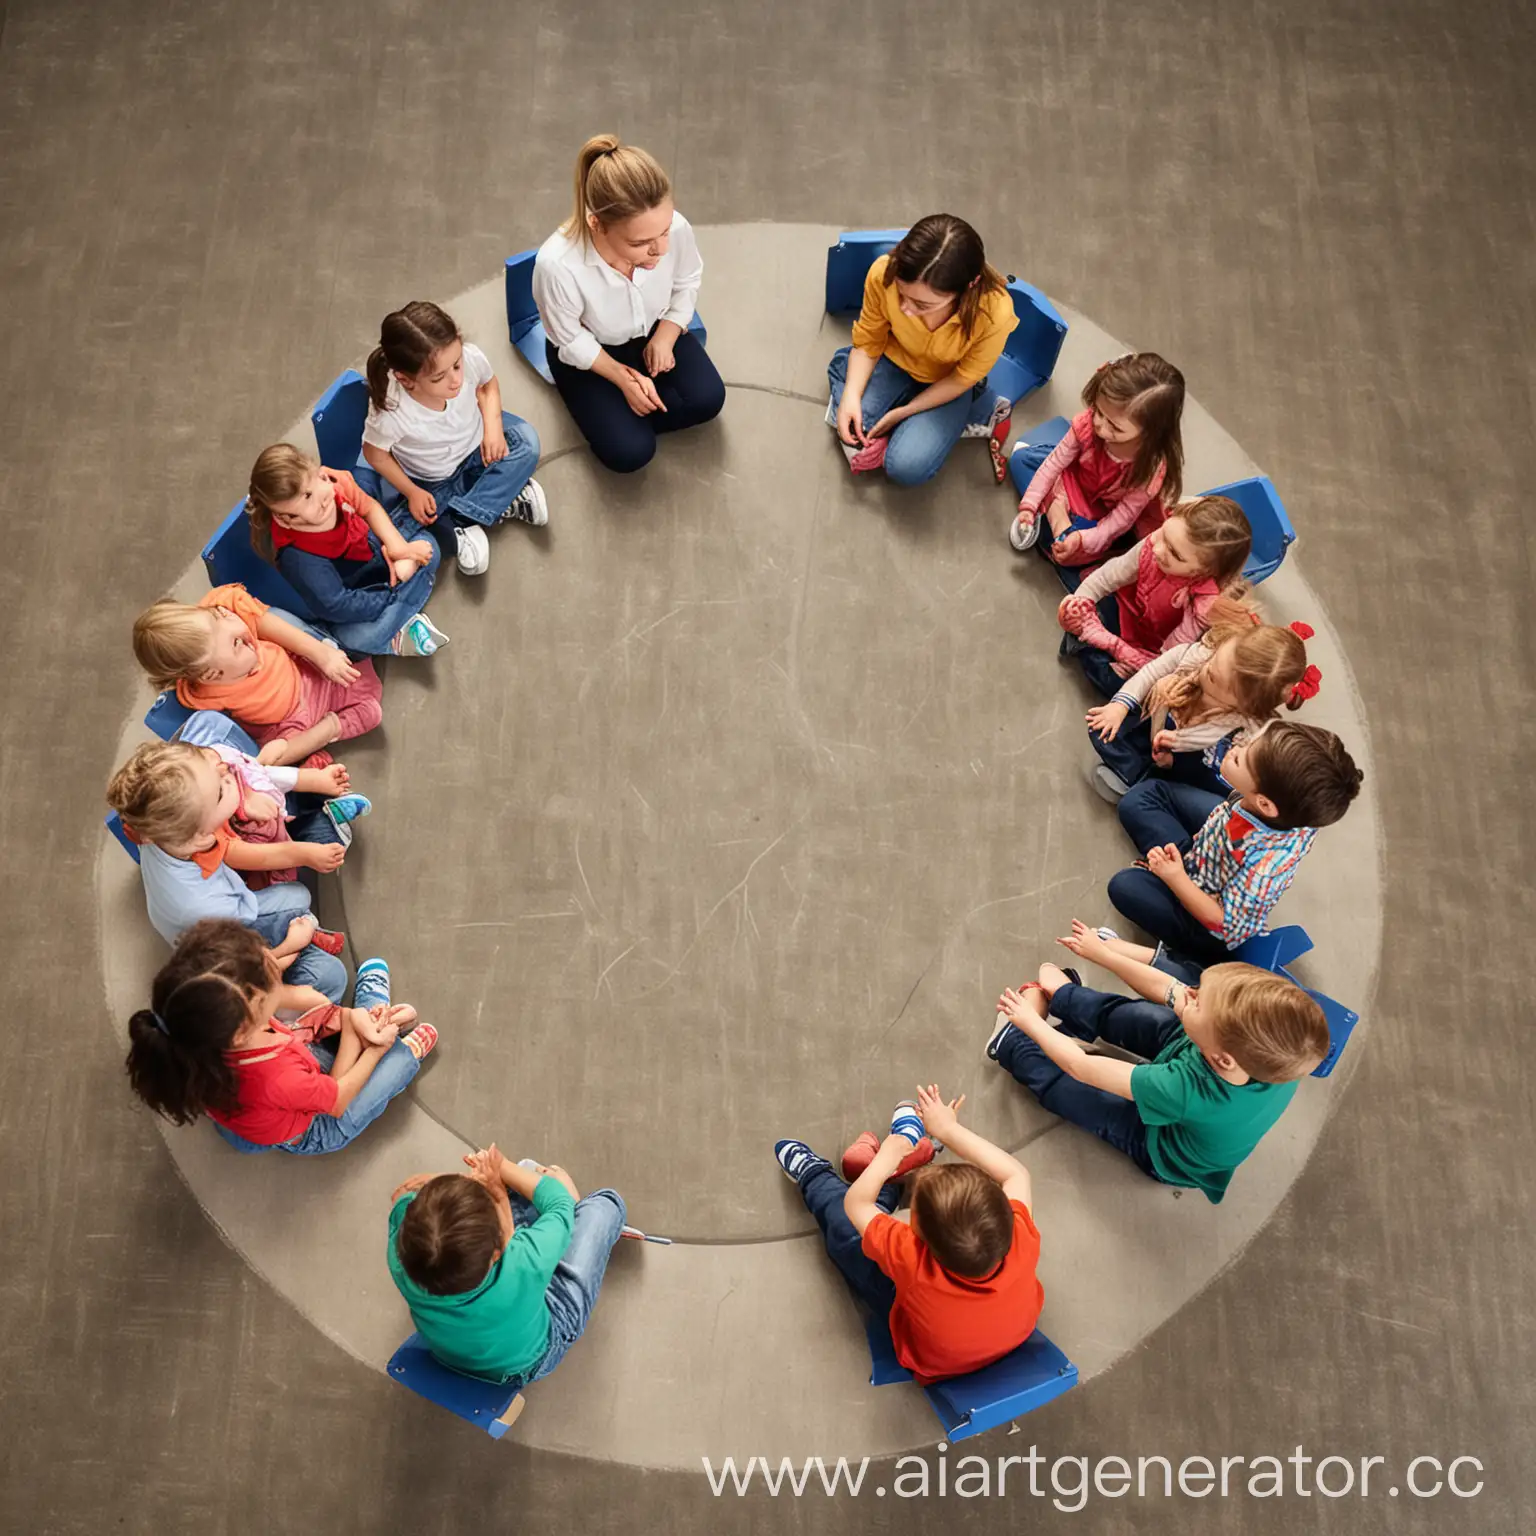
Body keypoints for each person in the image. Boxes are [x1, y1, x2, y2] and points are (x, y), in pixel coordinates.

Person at [988, 930, 1329, 1204]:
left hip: (1162, 1147)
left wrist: (1031, 1022)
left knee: (1077, 1095)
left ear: (1221, 1057)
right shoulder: (1272, 1051)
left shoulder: (1185, 1089)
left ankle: (1013, 1045)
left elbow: (1079, 1067)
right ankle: (1067, 999)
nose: (1189, 993)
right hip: (1194, 1057)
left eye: (1197, 1001)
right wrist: (1104, 954)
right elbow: (1168, 989)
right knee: (1141, 1017)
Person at [774, 1089, 1043, 1384]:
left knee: (848, 1237)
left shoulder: (910, 1256)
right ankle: (899, 1173)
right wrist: (948, 1128)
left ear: (916, 1233)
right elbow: (1017, 1175)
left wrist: (892, 1150)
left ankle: (818, 1175)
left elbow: (855, 1205)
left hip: (930, 1360)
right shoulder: (1021, 1234)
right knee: (870, 1218)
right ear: (1006, 1211)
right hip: (1011, 1336)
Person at [125, 920, 437, 1155]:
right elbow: (336, 1102)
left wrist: (350, 1020)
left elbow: (304, 1002)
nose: (276, 963)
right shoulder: (276, 1077)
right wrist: (369, 1040)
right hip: (316, 1126)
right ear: (244, 1024)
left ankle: (374, 1018)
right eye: (270, 973)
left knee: (326, 982)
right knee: (394, 1062)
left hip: (282, 1086)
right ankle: (395, 1046)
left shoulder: (212, 1029)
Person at [105, 730, 365, 1002]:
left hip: (210, 914)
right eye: (220, 789)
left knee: (296, 874)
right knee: (313, 935)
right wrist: (290, 945)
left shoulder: (160, 827)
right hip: (232, 937)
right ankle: (302, 961)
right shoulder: (205, 907)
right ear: (204, 835)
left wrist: (240, 793)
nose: (224, 770)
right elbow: (241, 964)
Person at [532, 133, 725, 475]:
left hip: (652, 328)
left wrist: (666, 336)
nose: (661, 250)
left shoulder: (676, 228)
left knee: (709, 400)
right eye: (641, 243)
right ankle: (614, 417)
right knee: (631, 454)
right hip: (591, 351)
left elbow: (687, 281)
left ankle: (617, 418)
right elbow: (569, 339)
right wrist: (623, 378)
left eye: (664, 232)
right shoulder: (557, 265)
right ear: (597, 224)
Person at [1106, 721, 1364, 972]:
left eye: (1241, 758)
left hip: (1207, 918)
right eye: (1250, 742)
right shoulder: (1289, 807)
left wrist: (1175, 878)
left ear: (1264, 803)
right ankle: (1172, 868)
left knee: (1125, 887)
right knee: (1141, 798)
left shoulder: (1265, 867)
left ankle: (1190, 954)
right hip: (1211, 846)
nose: (1236, 747)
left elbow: (1222, 923)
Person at [387, 1143, 626, 1388]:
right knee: (606, 1205)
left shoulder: (398, 1255)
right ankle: (556, 1220)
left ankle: (527, 1212)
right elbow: (559, 1201)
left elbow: (403, 1195)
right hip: (533, 1356)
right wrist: (500, 1167)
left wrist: (460, 1194)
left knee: (515, 1206)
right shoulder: (522, 1261)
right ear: (499, 1249)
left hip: (457, 1352)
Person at [359, 300, 546, 577]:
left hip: (479, 445)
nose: (456, 381)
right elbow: (375, 454)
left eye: (456, 366)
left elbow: (487, 384)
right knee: (390, 536)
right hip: (436, 477)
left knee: (527, 442)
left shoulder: (468, 358)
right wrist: (412, 492)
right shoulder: (392, 411)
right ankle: (493, 501)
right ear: (406, 379)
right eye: (439, 378)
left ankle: (459, 518)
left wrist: (493, 426)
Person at [828, 214, 1017, 486]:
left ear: (969, 287)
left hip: (948, 382)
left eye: (923, 305)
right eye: (902, 295)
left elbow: (962, 378)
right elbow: (869, 341)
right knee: (851, 419)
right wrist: (851, 395)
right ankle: (894, 417)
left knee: (905, 467)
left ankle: (976, 409)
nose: (905, 309)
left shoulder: (995, 313)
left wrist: (901, 413)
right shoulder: (883, 272)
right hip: (894, 360)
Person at [133, 582, 383, 768]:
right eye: (235, 644)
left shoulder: (221, 612)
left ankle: (318, 745)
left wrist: (319, 653)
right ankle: (328, 731)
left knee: (358, 674)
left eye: (222, 617)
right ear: (211, 674)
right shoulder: (202, 694)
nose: (238, 626)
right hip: (289, 721)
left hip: (303, 668)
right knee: (274, 755)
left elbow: (248, 614)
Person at [244, 443, 448, 658]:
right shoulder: (298, 558)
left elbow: (369, 507)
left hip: (374, 552)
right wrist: (388, 593)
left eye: (311, 490)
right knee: (354, 639)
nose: (319, 502)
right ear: (284, 519)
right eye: (303, 503)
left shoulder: (333, 481)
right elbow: (338, 605)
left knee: (429, 545)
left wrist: (398, 546)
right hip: (357, 596)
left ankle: (399, 619)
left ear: (318, 472)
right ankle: (397, 633)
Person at [1084, 619, 1317, 802]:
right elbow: (1151, 672)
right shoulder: (1200, 656)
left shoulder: (1242, 729)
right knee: (1103, 726)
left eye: (1214, 679)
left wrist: (1174, 758)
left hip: (1183, 758)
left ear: (1245, 705)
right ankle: (1132, 770)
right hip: (1156, 722)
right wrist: (1120, 705)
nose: (1206, 670)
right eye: (1213, 660)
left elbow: (1214, 769)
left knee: (1175, 781)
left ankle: (1137, 777)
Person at [1009, 353, 1185, 589]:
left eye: (1115, 427)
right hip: (1070, 481)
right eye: (1099, 412)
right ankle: (1054, 514)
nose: (1100, 426)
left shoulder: (1149, 470)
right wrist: (1030, 506)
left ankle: (1054, 519)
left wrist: (1082, 539)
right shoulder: (1087, 423)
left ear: (1151, 432)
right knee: (1020, 460)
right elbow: (1053, 464)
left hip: (1095, 512)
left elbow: (1119, 521)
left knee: (1078, 547)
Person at [1057, 497, 1254, 697]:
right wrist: (1080, 601)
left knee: (1116, 682)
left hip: (1152, 651)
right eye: (1164, 533)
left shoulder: (1204, 606)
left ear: (1204, 572)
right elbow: (1109, 575)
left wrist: (1110, 644)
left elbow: (1164, 663)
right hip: (1129, 615)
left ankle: (1088, 644)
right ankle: (1090, 644)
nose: (1158, 550)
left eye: (1175, 555)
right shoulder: (1158, 541)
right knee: (1087, 608)